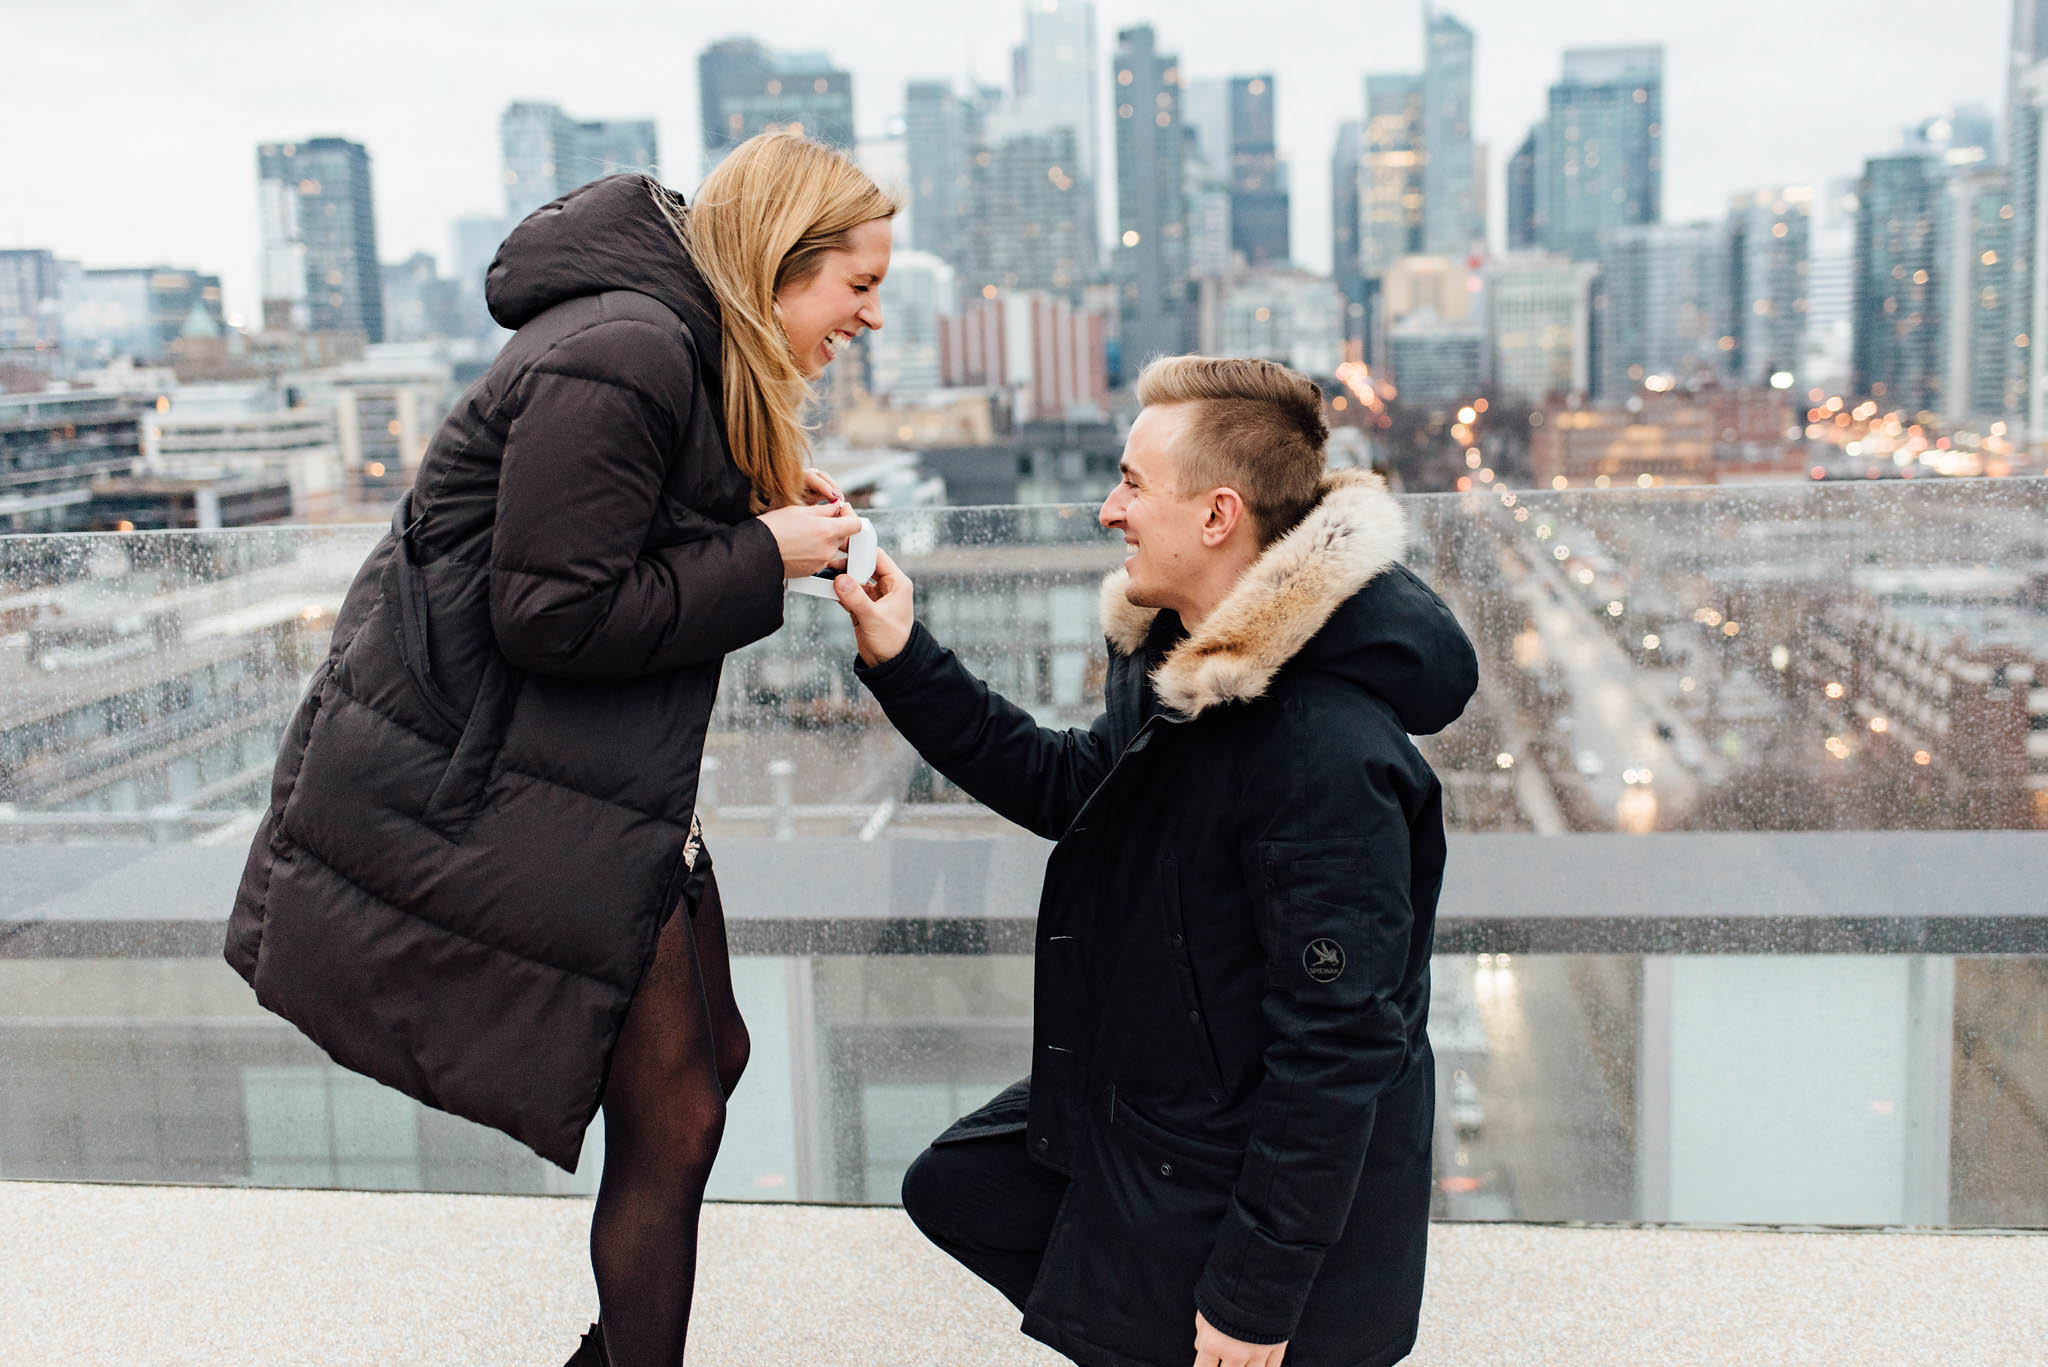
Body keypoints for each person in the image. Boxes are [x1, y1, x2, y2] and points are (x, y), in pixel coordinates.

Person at [223, 131, 895, 1366]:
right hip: (507, 774)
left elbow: (591, 536)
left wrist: (752, 505)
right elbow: (554, 610)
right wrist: (766, 556)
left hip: (574, 774)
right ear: (779, 262)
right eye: (858, 286)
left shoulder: (663, 346)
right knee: (682, 1101)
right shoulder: (630, 351)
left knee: (707, 1064)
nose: (867, 317)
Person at [831, 356, 1479, 1367]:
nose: (1106, 510)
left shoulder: (1322, 753)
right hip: (1172, 1117)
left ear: (1218, 514)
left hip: (1242, 1176)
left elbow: (1339, 1048)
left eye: (1131, 483)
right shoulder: (1182, 664)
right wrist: (903, 658)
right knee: (957, 1184)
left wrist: (1251, 1297)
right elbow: (1067, 786)